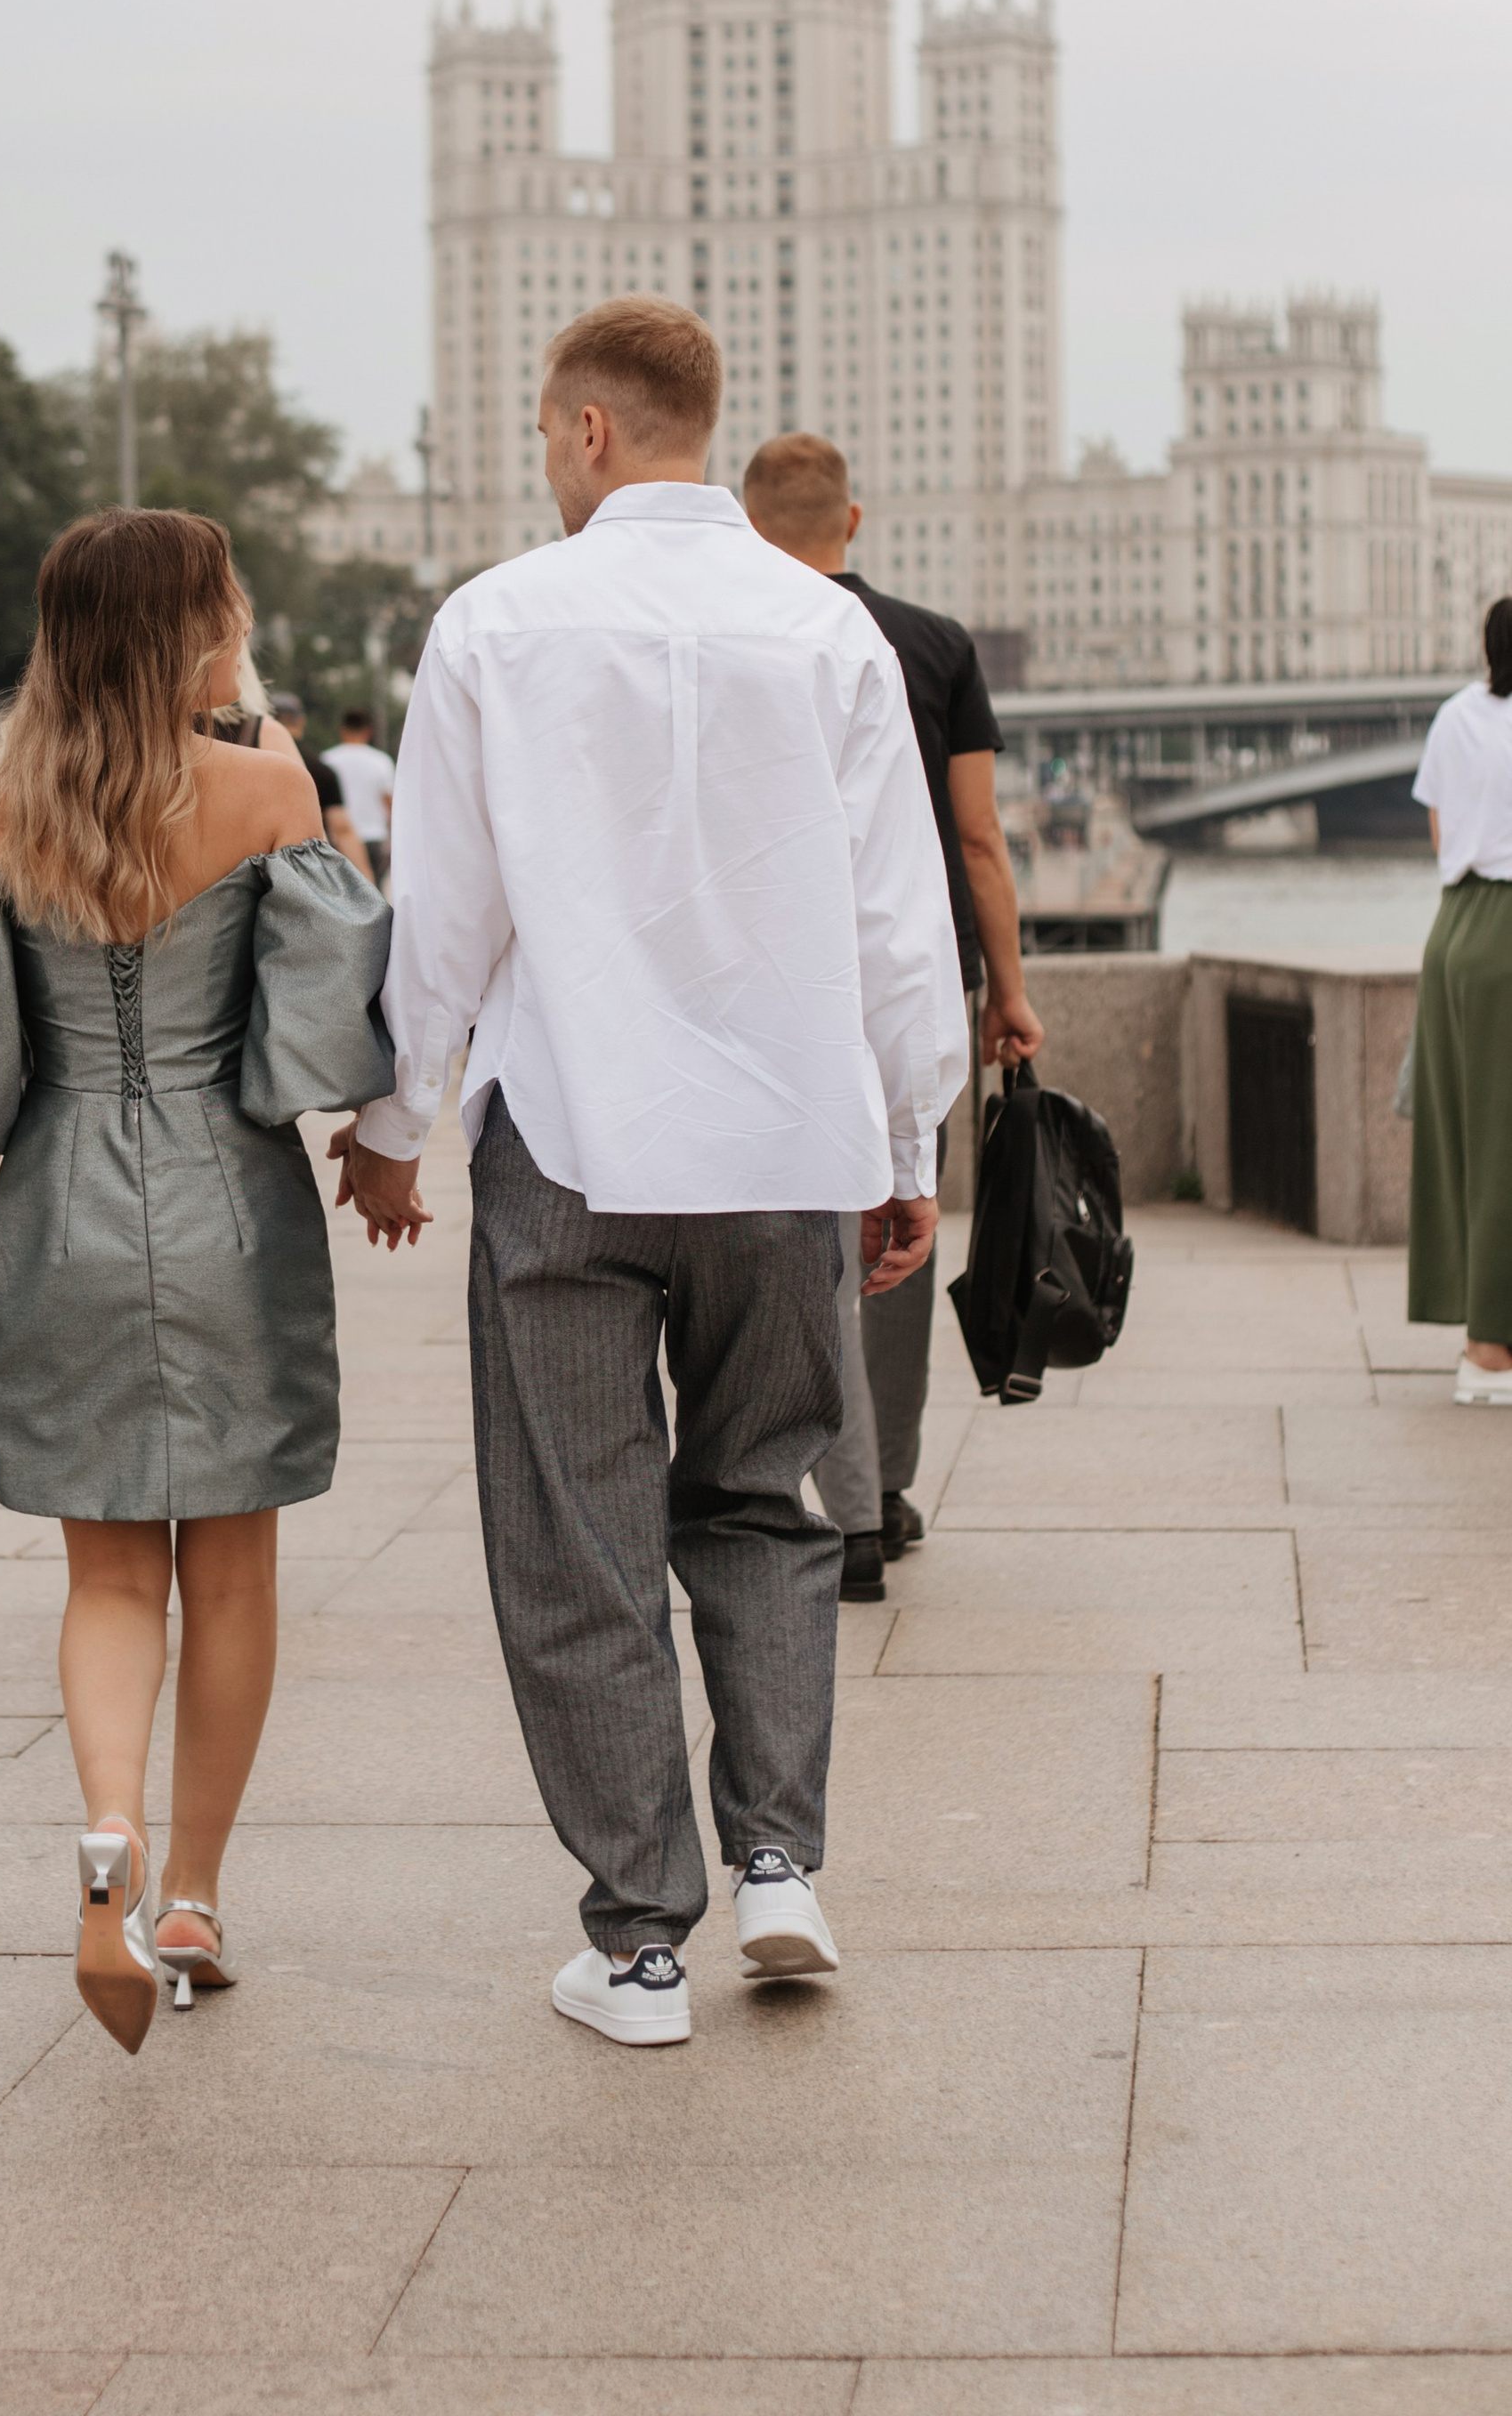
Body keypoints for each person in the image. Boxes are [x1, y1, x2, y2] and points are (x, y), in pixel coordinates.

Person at [333, 296, 963, 2048]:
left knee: (575, 1538)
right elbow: (894, 924)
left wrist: (393, 1125)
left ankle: (636, 1952)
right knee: (767, 1496)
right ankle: (776, 1863)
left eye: (548, 434)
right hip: (781, 1148)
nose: (547, 460)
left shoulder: (494, 626)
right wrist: (906, 1144)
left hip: (572, 1140)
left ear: (591, 433)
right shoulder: (823, 630)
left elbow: (444, 914)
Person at [0, 509, 396, 2054]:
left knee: (103, 1577)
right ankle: (200, 1891)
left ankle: (109, 1836)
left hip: (59, 1200)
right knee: (231, 1571)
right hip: (227, 1196)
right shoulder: (271, 783)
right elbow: (340, 1026)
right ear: (194, 625)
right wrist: (273, 762)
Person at [744, 432, 1045, 1599]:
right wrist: (1008, 991)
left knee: (797, 1231)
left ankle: (840, 1494)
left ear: (749, 519)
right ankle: (889, 1484)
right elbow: (978, 838)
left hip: (777, 974)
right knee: (899, 1222)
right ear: (853, 522)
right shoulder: (932, 643)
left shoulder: (744, 639)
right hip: (921, 967)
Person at [1408, 596, 1512, 1404]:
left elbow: (1444, 839)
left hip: (1457, 933)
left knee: (1471, 1141)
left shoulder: (1455, 717)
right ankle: (1492, 1353)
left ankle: (1481, 1346)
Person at [266, 689, 376, 883]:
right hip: (307, 871)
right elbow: (341, 829)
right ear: (301, 721)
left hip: (256, 865)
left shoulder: (248, 758)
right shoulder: (320, 768)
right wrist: (366, 879)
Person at [325, 707, 395, 885]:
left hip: (337, 838)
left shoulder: (328, 759)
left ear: (343, 730)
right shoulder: (381, 761)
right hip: (373, 836)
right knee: (373, 895)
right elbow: (390, 805)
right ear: (368, 731)